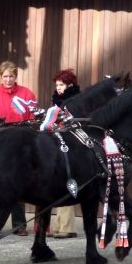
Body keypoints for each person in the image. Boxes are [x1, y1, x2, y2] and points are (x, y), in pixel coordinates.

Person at [0, 61, 37, 236]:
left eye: (11, 76)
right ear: (1, 77)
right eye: (5, 76)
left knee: (18, 183)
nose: (8, 79)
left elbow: (33, 117)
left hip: (20, 144)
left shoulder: (26, 94)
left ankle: (19, 224)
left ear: (16, 76)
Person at [48, 69, 81, 239]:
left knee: (68, 183)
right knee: (58, 184)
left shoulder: (75, 101)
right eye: (57, 85)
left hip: (71, 146)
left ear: (70, 85)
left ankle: (67, 226)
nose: (59, 88)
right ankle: (59, 225)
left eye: (61, 85)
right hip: (57, 143)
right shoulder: (57, 100)